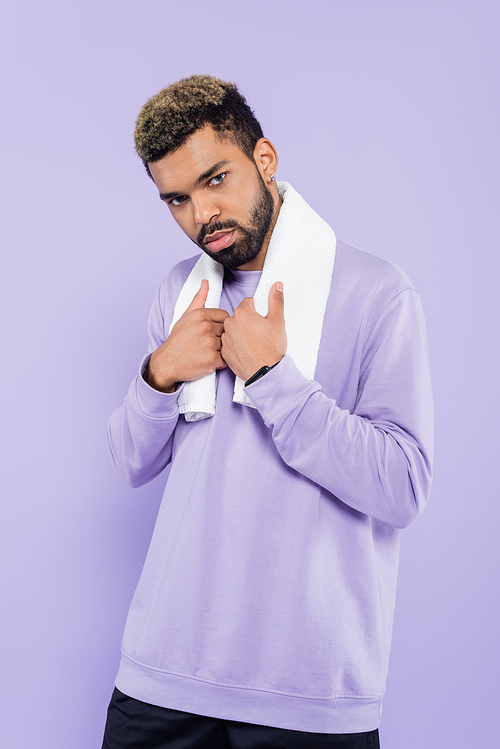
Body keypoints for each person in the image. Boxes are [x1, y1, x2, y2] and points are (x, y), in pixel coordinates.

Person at [102, 74, 433, 749]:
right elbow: (133, 461)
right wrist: (161, 371)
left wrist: (274, 377)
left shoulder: (376, 291)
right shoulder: (181, 292)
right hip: (163, 676)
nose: (201, 215)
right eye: (177, 199)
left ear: (265, 158)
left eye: (215, 179)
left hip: (308, 694)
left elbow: (403, 487)